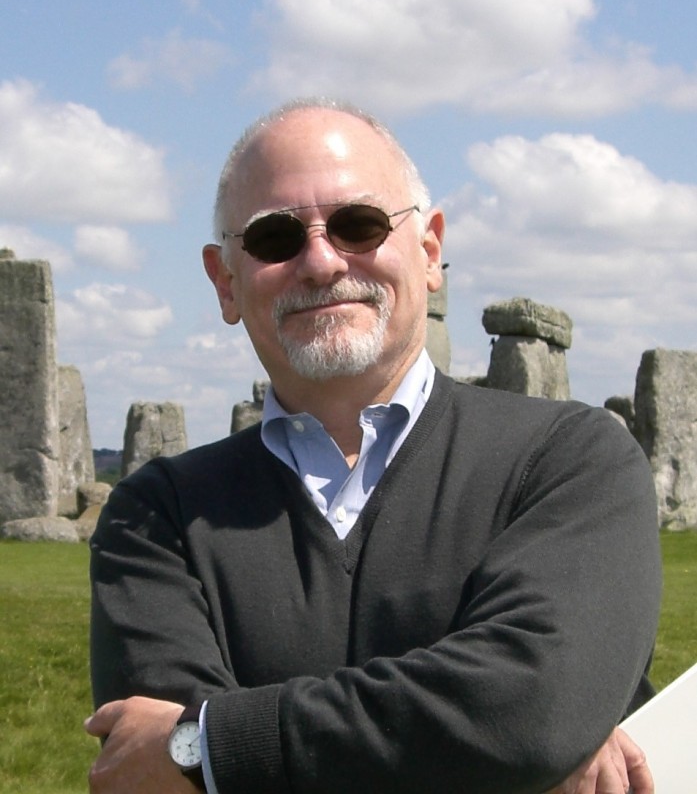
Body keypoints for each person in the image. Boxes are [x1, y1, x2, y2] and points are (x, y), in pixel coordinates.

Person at [85, 99, 661, 794]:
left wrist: (212, 745)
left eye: (359, 225)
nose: (321, 262)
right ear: (225, 282)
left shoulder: (570, 459)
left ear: (429, 251)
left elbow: (532, 707)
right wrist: (498, 752)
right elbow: (154, 776)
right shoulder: (156, 516)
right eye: (275, 237)